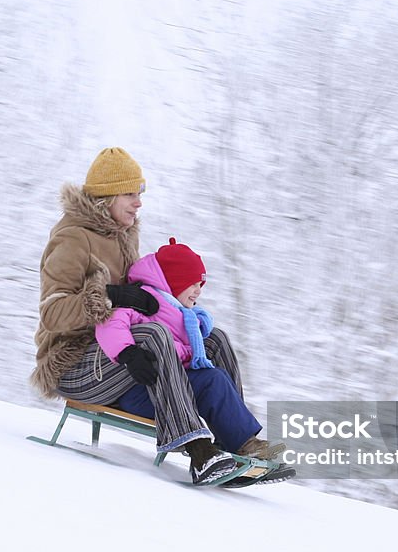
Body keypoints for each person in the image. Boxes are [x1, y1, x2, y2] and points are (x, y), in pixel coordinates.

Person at [31, 147, 267, 485]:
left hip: (118, 362)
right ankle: (198, 452)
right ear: (106, 195)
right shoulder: (72, 238)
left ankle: (238, 443)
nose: (139, 201)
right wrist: (111, 295)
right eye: (130, 193)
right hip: (74, 365)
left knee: (211, 338)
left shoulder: (123, 236)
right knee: (152, 336)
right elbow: (52, 313)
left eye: (139, 192)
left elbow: (137, 310)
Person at [94, 237, 284, 462]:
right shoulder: (145, 300)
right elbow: (110, 323)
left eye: (200, 285)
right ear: (173, 281)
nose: (198, 291)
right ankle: (210, 451)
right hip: (141, 392)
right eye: (193, 284)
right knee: (211, 378)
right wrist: (128, 352)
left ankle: (242, 444)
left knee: (215, 377)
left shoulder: (182, 313)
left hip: (171, 387)